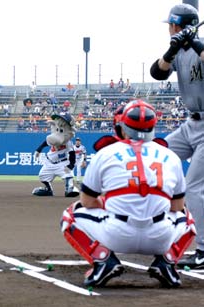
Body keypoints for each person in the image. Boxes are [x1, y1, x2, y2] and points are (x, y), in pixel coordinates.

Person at [61, 100, 195, 288]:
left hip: (117, 234)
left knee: (70, 215)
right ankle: (167, 263)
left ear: (123, 127)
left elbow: (87, 201)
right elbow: (177, 207)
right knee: (187, 217)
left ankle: (103, 261)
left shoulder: (106, 153)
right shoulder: (170, 156)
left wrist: (108, 202)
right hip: (159, 238)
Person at [150, 3, 204, 269]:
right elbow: (157, 72)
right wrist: (173, 48)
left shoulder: (199, 46)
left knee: (194, 186)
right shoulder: (179, 51)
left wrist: (194, 41)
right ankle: (155, 227)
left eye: (171, 25)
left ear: (177, 24)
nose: (168, 29)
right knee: (153, 153)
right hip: (190, 125)